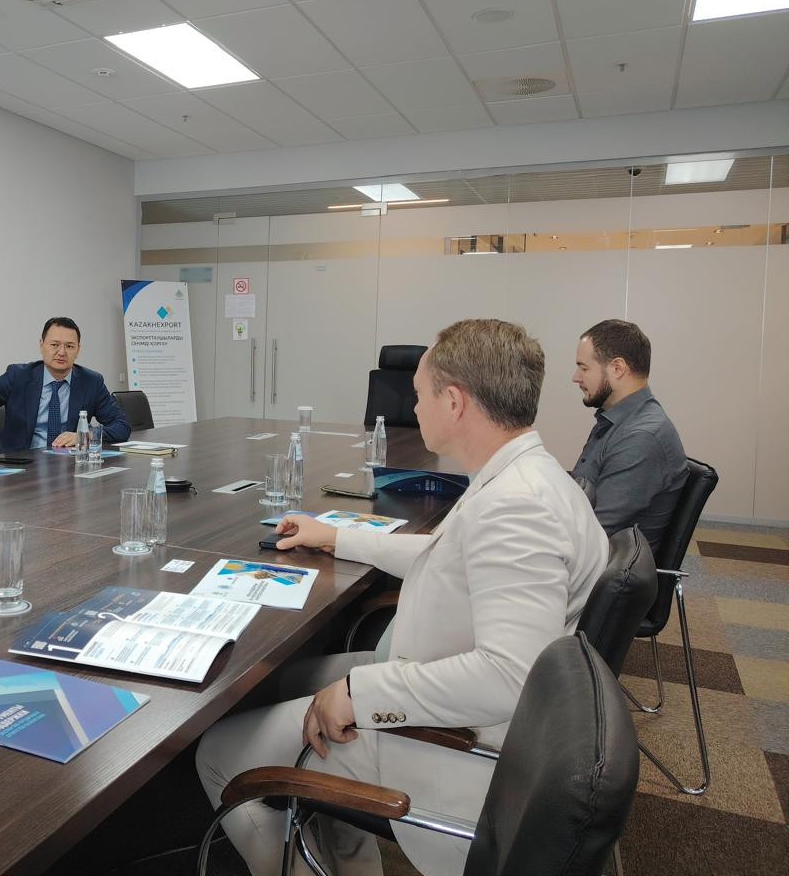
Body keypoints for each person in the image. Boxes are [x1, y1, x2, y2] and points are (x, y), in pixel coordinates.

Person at [196, 319, 607, 876]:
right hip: (446, 681)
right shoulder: (525, 476)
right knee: (282, 681)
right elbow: (446, 557)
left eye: (419, 394)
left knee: (217, 753)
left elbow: (510, 677)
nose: (412, 408)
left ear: (454, 402)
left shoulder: (519, 507)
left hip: (460, 740)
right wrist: (336, 537)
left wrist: (359, 694)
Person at [571, 319, 688, 555]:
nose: (576, 377)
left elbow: (592, 533)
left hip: (598, 565)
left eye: (584, 368)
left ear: (617, 368)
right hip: (585, 547)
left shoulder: (641, 438)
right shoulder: (618, 420)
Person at [0, 317, 130, 452]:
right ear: (41, 345)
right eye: (54, 344)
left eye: (69, 346)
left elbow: (121, 426)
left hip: (69, 467)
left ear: (78, 350)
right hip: (22, 468)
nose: (61, 352)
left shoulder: (91, 382)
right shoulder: (18, 376)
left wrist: (85, 436)